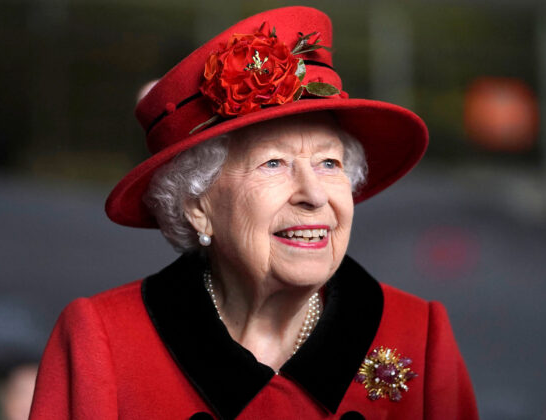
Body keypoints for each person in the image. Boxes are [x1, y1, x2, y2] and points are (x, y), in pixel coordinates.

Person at [30, 6, 478, 419]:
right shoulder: (103, 342)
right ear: (197, 206)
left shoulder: (418, 334)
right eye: (273, 164)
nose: (314, 195)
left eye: (329, 163)